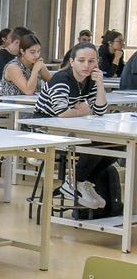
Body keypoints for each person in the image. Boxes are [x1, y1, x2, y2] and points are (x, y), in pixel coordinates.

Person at [35, 43, 111, 209]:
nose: (86, 65)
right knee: (96, 142)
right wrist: (83, 111)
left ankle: (82, 182)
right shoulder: (62, 79)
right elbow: (61, 112)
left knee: (116, 145)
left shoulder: (90, 80)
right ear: (72, 62)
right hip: (44, 130)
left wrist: (100, 85)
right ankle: (74, 182)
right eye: (81, 60)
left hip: (71, 128)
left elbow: (99, 111)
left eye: (92, 61)